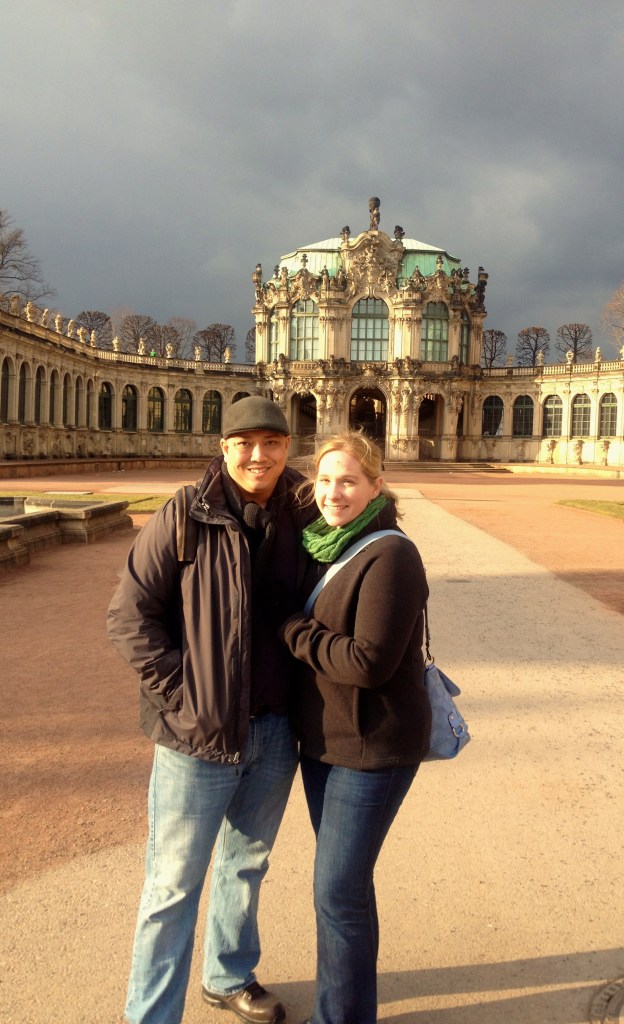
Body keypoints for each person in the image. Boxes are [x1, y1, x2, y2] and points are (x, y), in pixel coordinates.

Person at [107, 396, 313, 1024]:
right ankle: (151, 1015)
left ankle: (227, 975)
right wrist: (185, 697)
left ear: (287, 448)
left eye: (272, 443)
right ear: (223, 447)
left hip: (276, 729)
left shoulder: (310, 513)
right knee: (171, 887)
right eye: (245, 442)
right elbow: (129, 617)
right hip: (196, 736)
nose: (259, 455)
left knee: (246, 863)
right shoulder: (184, 513)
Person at [277, 432, 431, 1024]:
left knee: (337, 891)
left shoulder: (391, 555)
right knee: (346, 887)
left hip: (374, 747)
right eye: (324, 480)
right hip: (327, 743)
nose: (333, 492)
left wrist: (291, 629)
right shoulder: (324, 544)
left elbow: (369, 663)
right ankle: (346, 1007)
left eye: (347, 481)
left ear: (375, 486)